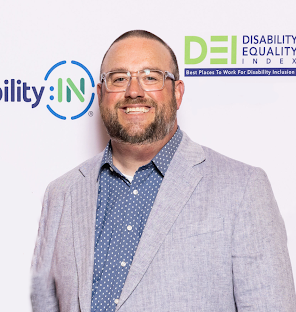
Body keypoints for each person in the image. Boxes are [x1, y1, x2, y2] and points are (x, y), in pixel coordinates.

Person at [31, 30, 296, 312]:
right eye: (119, 79)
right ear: (100, 94)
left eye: (151, 77)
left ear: (177, 92)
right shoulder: (61, 193)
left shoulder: (242, 188)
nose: (133, 91)